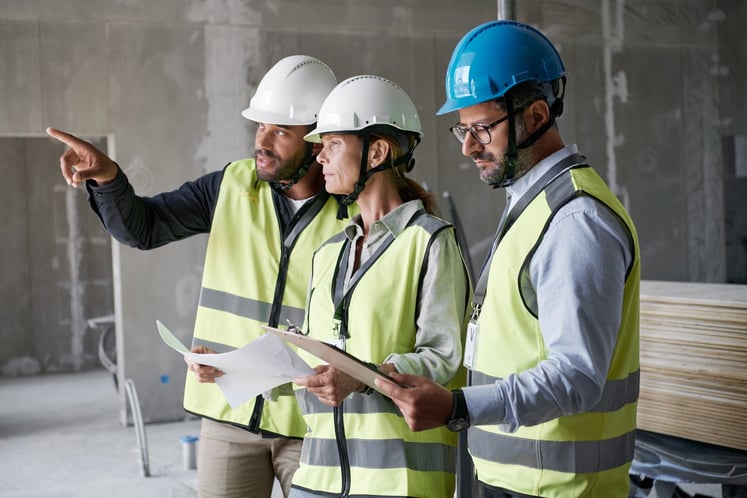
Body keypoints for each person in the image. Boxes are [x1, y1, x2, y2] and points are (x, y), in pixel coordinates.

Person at [47, 55, 348, 498]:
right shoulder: (231, 185)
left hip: (314, 420)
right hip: (228, 411)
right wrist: (109, 179)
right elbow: (143, 228)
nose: (262, 141)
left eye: (280, 131)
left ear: (320, 141)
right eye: (260, 126)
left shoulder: (354, 210)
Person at [376, 20, 641, 498]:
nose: (467, 146)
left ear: (536, 115)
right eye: (463, 127)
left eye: (482, 128)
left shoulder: (575, 219)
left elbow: (576, 376)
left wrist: (458, 406)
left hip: (558, 488)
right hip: (511, 478)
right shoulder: (534, 205)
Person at [288, 75, 471, 498]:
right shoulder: (328, 253)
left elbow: (444, 359)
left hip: (397, 481)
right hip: (317, 477)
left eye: (333, 144)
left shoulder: (429, 241)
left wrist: (360, 378)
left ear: (377, 150)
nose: (320, 158)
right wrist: (231, 364)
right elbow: (311, 355)